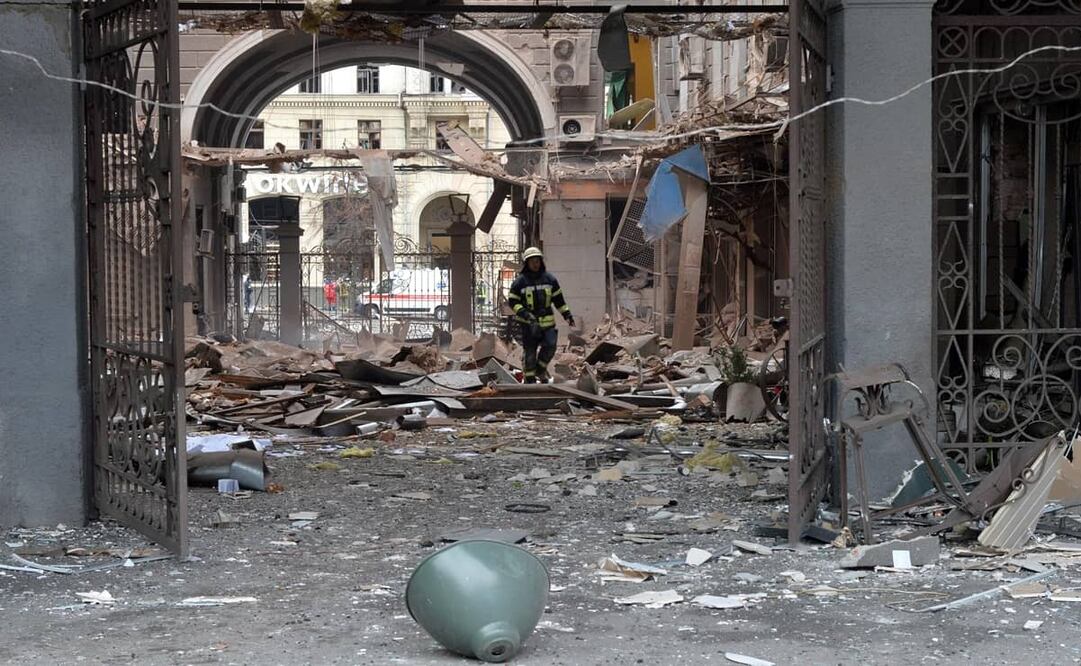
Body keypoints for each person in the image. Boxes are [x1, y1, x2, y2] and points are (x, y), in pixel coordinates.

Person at [508, 246, 575, 383]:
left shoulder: (550, 279)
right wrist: (525, 314)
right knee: (530, 352)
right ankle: (530, 379)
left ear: (541, 261)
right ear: (527, 263)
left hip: (548, 323)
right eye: (532, 261)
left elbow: (559, 301)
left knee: (550, 346)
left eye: (537, 261)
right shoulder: (520, 282)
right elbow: (513, 302)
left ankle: (540, 369)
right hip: (528, 324)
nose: (535, 264)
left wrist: (567, 315)